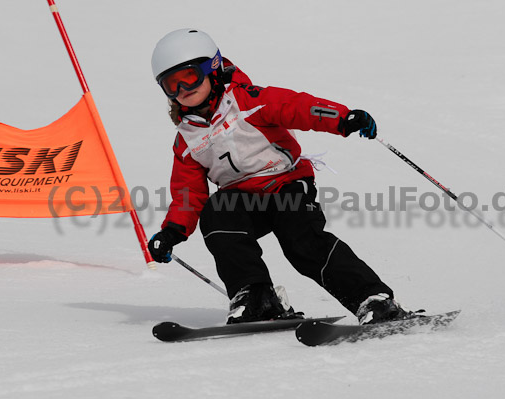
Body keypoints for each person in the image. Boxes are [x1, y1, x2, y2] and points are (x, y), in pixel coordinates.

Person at [147, 29, 412, 325]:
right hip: (243, 200)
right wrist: (171, 232)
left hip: (286, 184)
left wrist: (342, 118)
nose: (183, 88)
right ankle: (256, 296)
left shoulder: (249, 100)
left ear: (213, 68)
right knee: (217, 214)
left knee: (302, 243)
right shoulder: (187, 139)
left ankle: (372, 299)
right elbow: (188, 193)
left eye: (189, 76)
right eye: (172, 84)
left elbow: (297, 107)